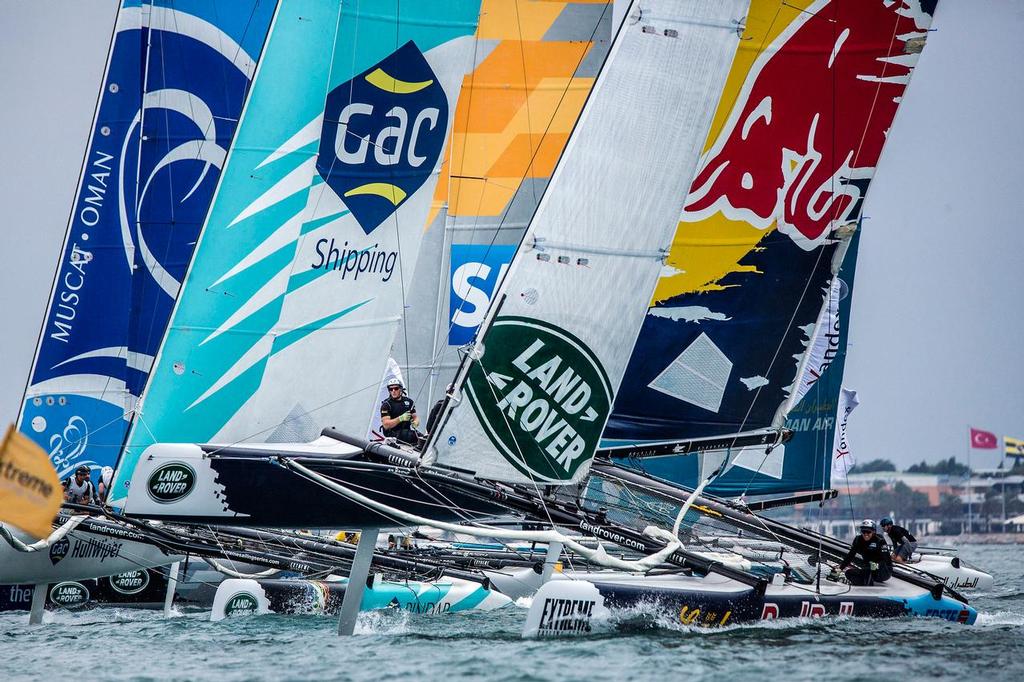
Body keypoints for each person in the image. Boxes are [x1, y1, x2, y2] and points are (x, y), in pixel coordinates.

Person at [838, 519, 892, 586]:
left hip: (883, 571)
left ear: (873, 531)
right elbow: (850, 556)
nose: (866, 534)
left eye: (868, 532)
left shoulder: (880, 540)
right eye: (863, 532)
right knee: (848, 573)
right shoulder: (858, 540)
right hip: (867, 568)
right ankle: (863, 583)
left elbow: (887, 560)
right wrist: (840, 568)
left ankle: (866, 583)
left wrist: (877, 565)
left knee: (868, 570)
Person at [380, 380, 419, 444]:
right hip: (393, 433)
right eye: (391, 389)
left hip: (407, 431)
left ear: (401, 389)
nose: (393, 391)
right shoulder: (386, 404)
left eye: (396, 388)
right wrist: (401, 418)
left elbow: (415, 417)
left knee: (423, 438)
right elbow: (386, 425)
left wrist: (416, 422)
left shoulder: (409, 402)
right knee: (413, 436)